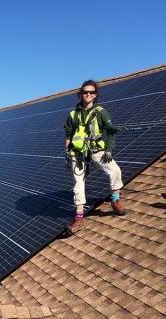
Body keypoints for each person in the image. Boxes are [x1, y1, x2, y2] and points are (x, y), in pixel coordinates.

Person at [64, 79, 126, 233]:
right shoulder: (73, 114)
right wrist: (67, 153)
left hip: (96, 149)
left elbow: (110, 131)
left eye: (91, 92)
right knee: (78, 184)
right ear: (81, 94)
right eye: (85, 92)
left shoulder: (101, 112)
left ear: (95, 95)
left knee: (115, 170)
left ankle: (115, 201)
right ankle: (79, 219)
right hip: (77, 153)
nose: (88, 94)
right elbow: (68, 136)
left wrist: (109, 150)